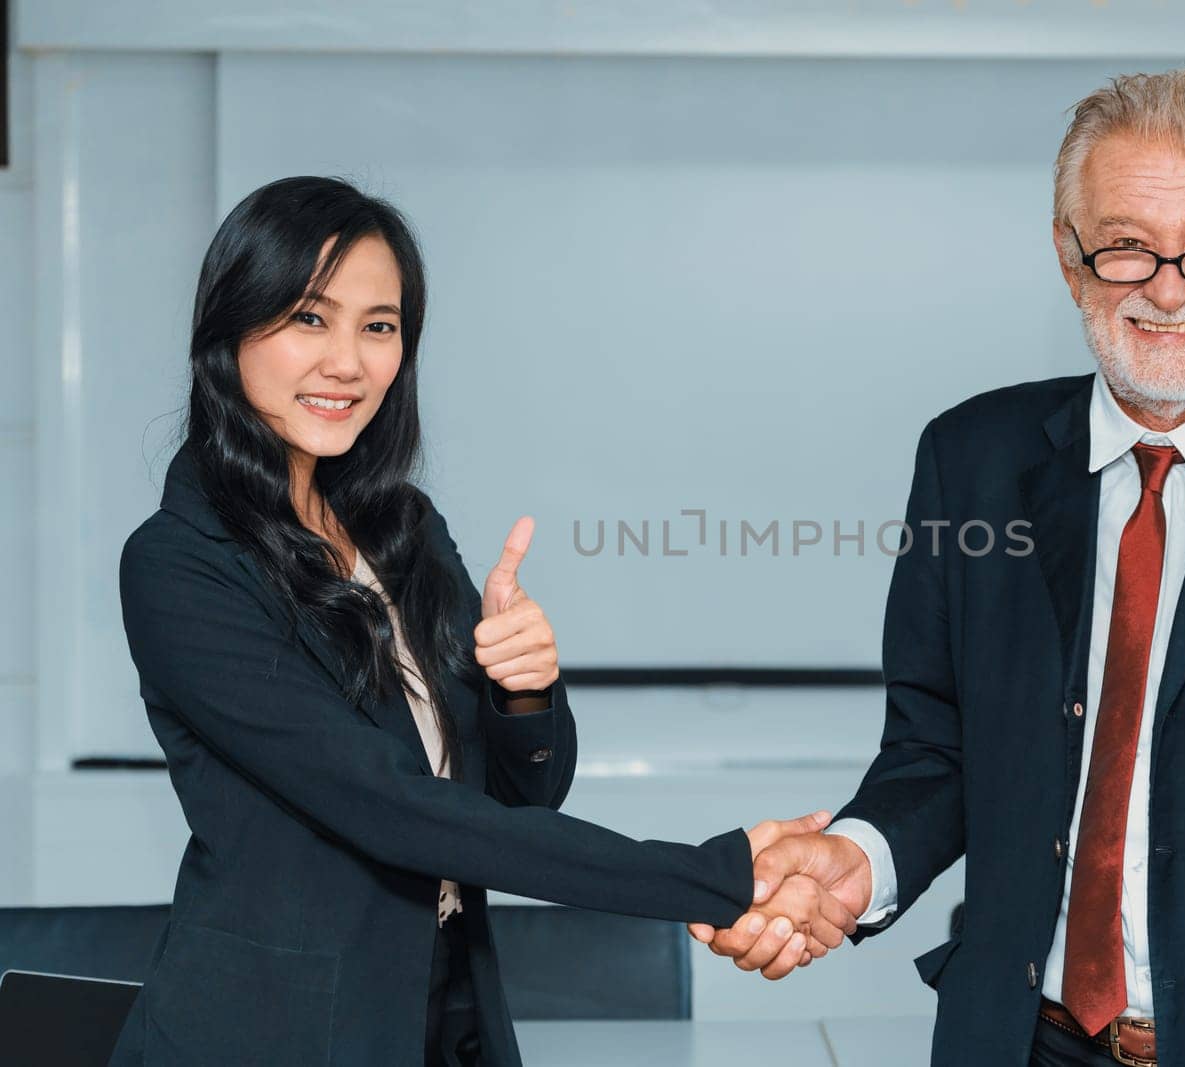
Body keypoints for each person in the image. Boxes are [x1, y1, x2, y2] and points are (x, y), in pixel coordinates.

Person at [693, 69, 1185, 1066]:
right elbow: (934, 751)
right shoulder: (970, 457)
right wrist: (856, 861)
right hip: (1020, 1041)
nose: (1165, 285)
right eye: (1123, 245)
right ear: (1071, 261)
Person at [111, 176, 854, 1066]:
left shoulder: (403, 528)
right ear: (231, 330)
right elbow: (393, 808)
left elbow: (521, 799)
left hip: (449, 1008)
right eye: (311, 317)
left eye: (378, 326)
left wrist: (526, 690)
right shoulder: (180, 563)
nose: (348, 361)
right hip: (274, 1032)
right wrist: (718, 875)